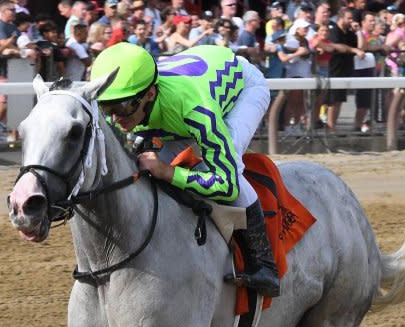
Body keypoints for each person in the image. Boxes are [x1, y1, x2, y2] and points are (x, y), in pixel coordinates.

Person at [89, 43, 280, 297]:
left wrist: (168, 172)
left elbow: (226, 184)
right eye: (106, 108)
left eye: (123, 107)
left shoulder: (196, 110)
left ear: (149, 94)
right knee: (145, 170)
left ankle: (264, 264)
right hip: (175, 108)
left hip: (241, 91)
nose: (115, 119)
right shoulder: (135, 103)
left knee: (229, 157)